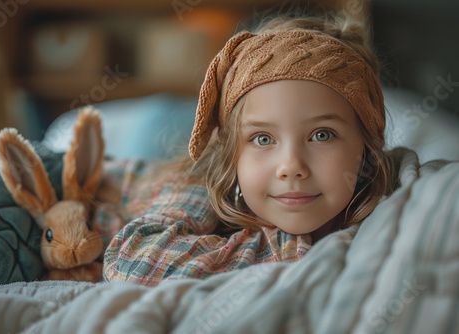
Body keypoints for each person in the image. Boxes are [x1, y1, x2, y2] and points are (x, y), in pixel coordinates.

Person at [96, 4, 394, 286]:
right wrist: (289, 249)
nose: (291, 166)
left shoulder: (379, 203)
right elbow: (132, 265)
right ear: (230, 153)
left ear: (366, 145)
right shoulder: (199, 184)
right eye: (263, 139)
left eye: (322, 135)